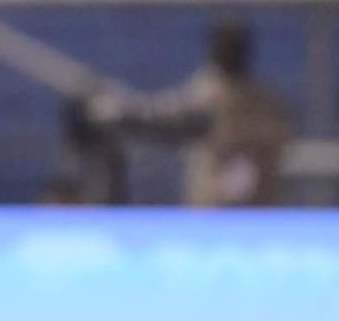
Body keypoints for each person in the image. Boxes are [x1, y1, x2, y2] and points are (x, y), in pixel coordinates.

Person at [88, 21, 291, 206]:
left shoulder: (247, 100)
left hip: (244, 215)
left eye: (231, 49)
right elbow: (165, 119)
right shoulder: (217, 92)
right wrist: (124, 114)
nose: (228, 54)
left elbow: (165, 119)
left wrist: (120, 113)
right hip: (224, 215)